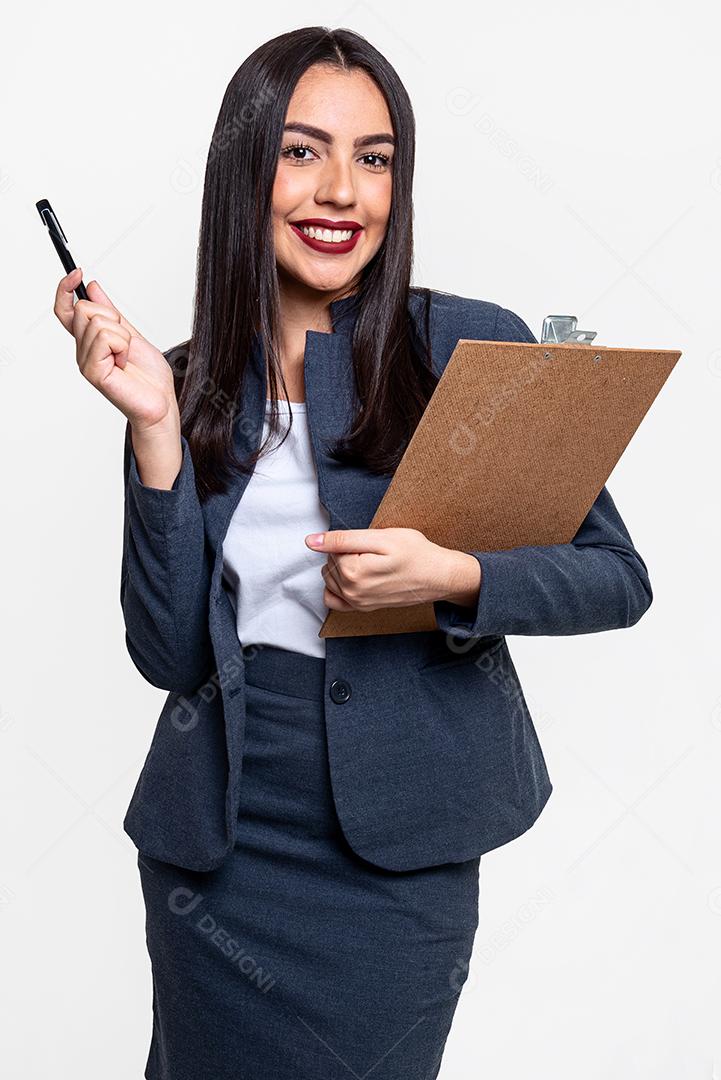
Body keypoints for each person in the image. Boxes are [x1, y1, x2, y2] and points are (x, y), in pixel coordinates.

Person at [53, 26, 653, 1080]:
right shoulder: (186, 382)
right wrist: (151, 425)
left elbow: (615, 575)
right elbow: (169, 656)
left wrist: (454, 579)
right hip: (221, 849)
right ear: (244, 171)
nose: (342, 191)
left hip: (398, 854)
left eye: (373, 159)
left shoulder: (471, 347)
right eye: (301, 150)